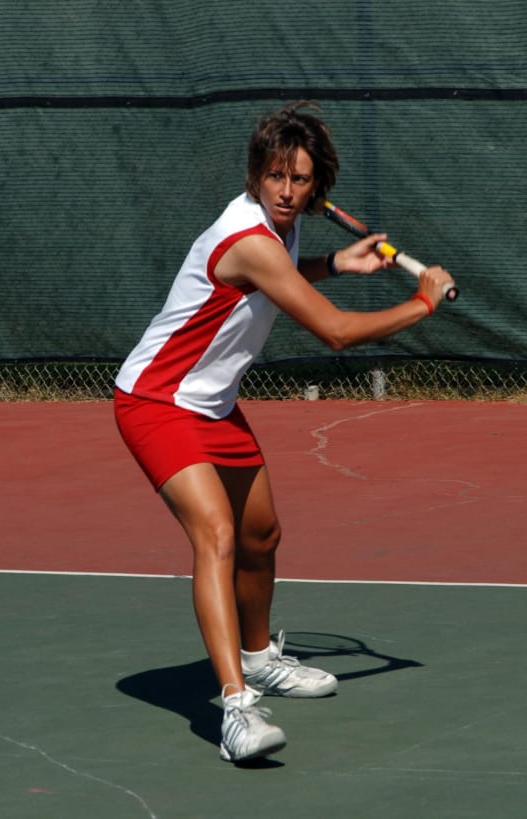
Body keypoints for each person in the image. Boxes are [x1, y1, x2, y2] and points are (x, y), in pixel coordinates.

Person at [114, 101, 454, 763]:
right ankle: (236, 709)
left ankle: (258, 656)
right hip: (157, 402)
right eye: (275, 175)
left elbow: (273, 278)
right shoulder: (249, 237)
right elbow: (335, 332)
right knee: (216, 535)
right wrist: (421, 303)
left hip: (213, 406)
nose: (287, 190)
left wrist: (335, 264)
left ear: (315, 183)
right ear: (255, 175)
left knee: (261, 534)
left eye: (299, 179)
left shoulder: (280, 230)